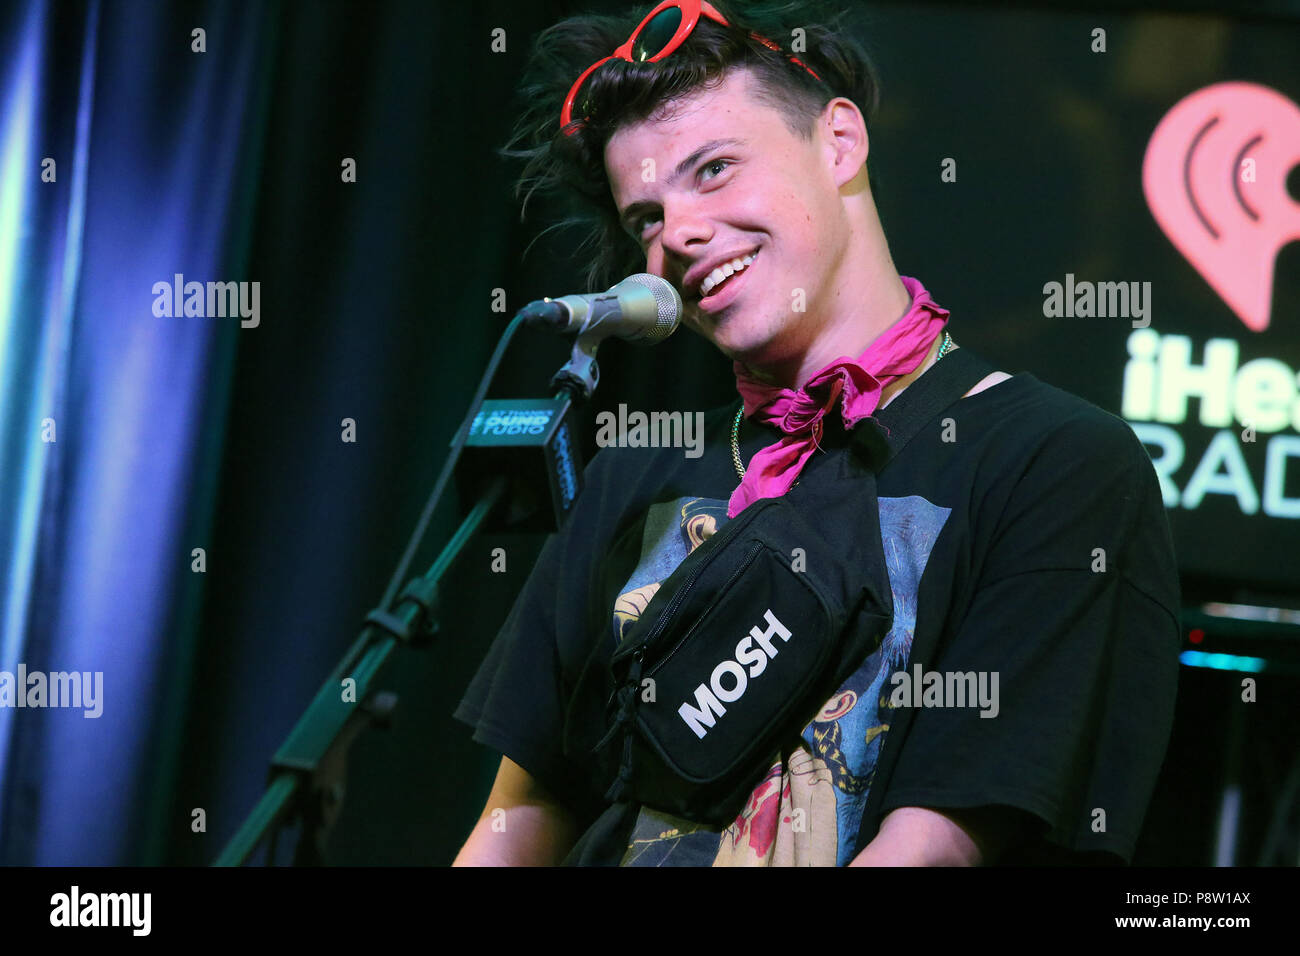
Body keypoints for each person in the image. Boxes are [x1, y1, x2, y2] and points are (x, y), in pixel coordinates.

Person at [452, 0, 1180, 866]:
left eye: (714, 169)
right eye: (645, 217)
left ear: (840, 141)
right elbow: (519, 817)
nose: (677, 234)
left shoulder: (1054, 463)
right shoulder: (633, 471)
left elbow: (940, 846)